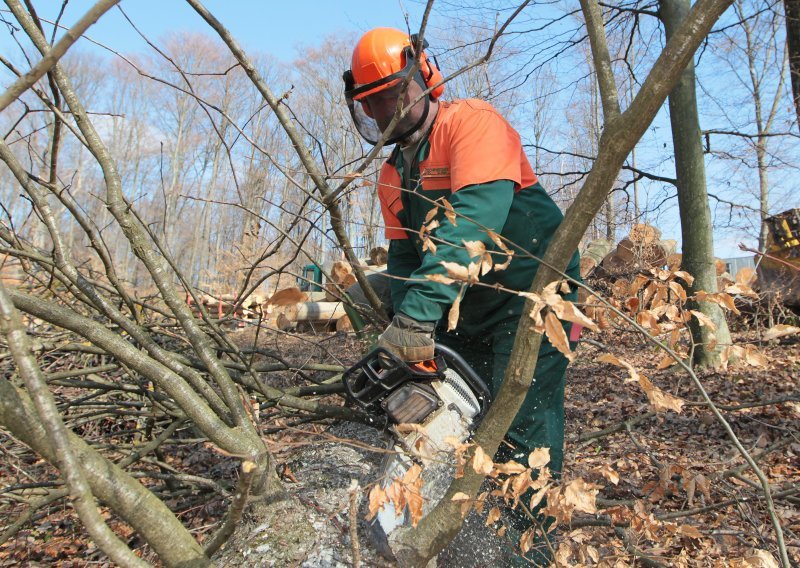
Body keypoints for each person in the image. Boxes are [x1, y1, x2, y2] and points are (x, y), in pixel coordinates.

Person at [343, 27, 581, 563]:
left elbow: (473, 225)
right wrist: (398, 316)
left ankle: (529, 551)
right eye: (372, 103)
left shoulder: (472, 123)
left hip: (533, 293)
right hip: (465, 302)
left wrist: (415, 321)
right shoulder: (391, 172)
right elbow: (407, 260)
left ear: (422, 78)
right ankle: (449, 534)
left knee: (522, 426)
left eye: (390, 95)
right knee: (451, 418)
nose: (384, 112)